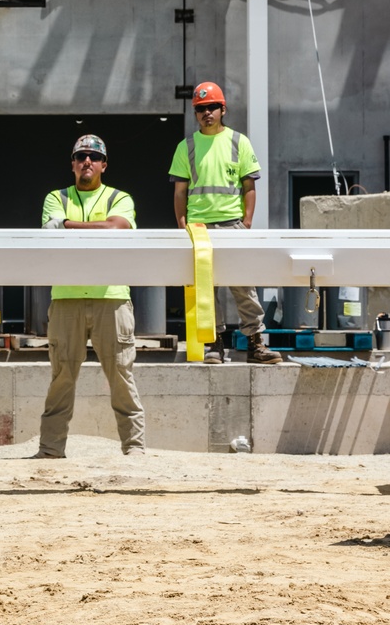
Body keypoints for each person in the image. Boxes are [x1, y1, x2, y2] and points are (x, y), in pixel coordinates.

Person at [34, 135, 146, 460]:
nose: (87, 162)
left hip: (111, 297)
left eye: (94, 157)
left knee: (122, 376)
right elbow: (50, 233)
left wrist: (67, 224)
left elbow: (117, 229)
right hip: (66, 298)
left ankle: (135, 449)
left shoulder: (118, 197)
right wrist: (95, 226)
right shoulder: (55, 197)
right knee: (61, 379)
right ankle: (50, 450)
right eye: (81, 156)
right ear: (72, 163)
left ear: (104, 164)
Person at [169, 80, 280, 364]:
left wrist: (246, 223)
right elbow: (180, 192)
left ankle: (256, 344)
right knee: (207, 289)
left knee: (244, 285)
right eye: (200, 109)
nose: (206, 113)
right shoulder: (187, 146)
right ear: (195, 113)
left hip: (232, 224)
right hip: (199, 229)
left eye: (212, 107)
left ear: (223, 109)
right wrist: (183, 227)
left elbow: (249, 187)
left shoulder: (238, 142)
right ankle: (214, 345)